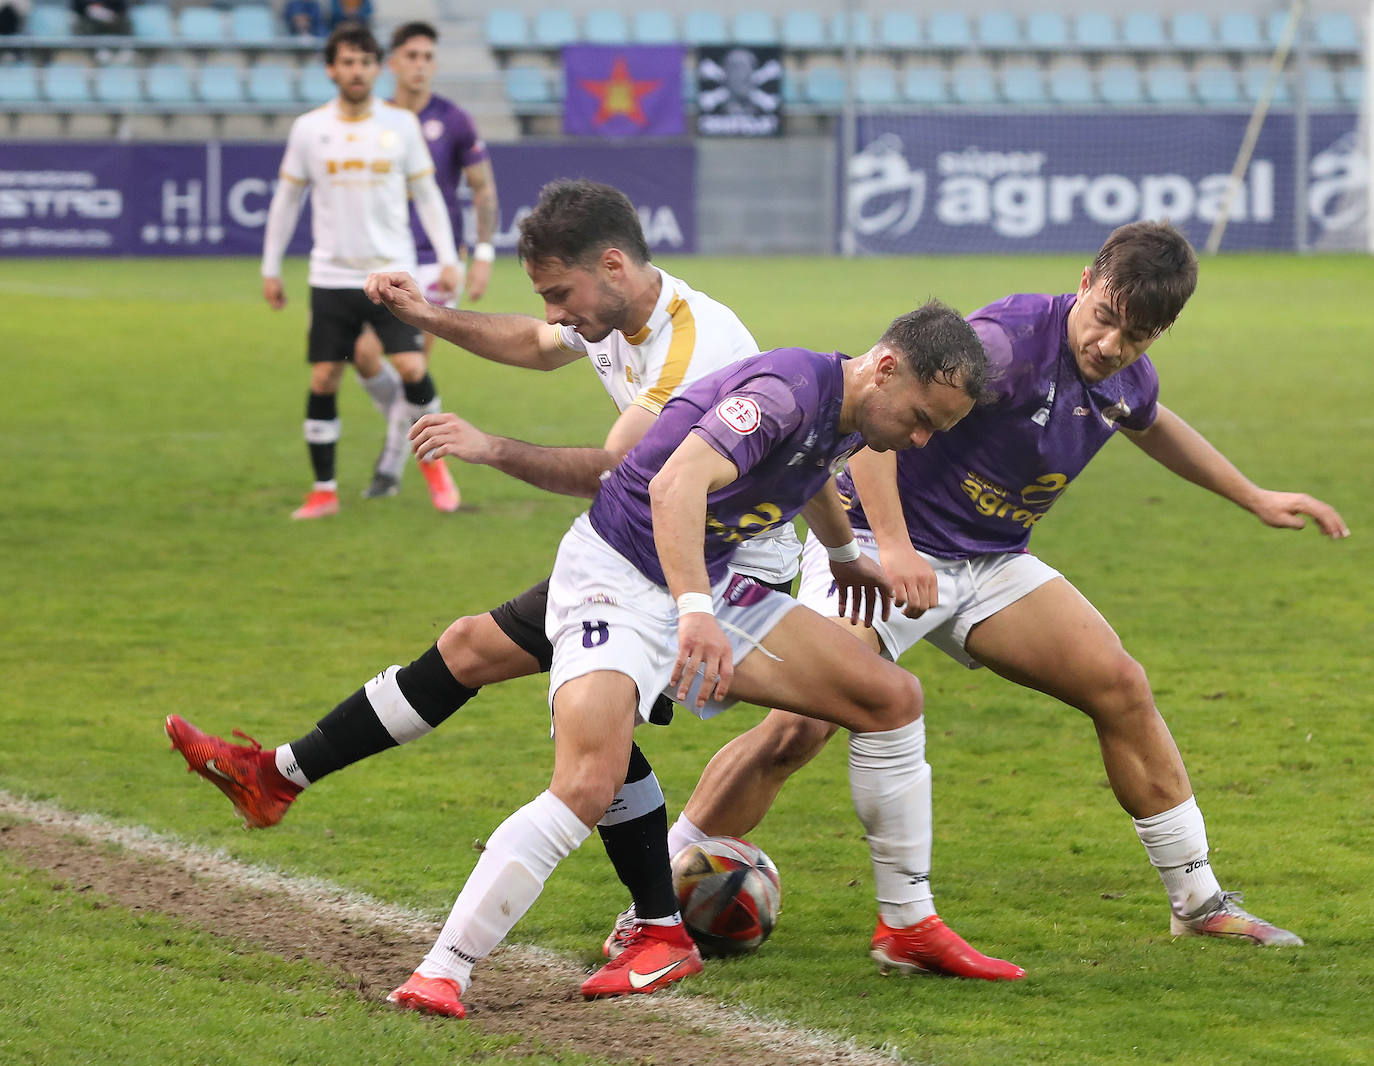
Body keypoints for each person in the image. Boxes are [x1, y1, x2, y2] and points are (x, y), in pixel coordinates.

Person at [167, 178, 817, 1001]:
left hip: (716, 569)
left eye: (559, 293)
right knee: (472, 648)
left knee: (595, 735)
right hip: (650, 547)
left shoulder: (694, 348)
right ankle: (277, 779)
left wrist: (490, 447)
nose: (554, 312)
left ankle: (661, 927)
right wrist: (430, 316)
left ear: (613, 265)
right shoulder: (616, 312)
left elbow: (614, 470)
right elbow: (535, 343)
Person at [659, 221, 1349, 958]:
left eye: (1138, 336)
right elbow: (872, 423)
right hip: (879, 553)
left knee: (1119, 685)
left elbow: (1150, 422)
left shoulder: (1124, 378)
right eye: (1106, 318)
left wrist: (1253, 496)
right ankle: (657, 895)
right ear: (1086, 283)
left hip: (990, 562)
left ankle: (1199, 900)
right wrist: (889, 548)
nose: (1111, 345)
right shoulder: (1007, 343)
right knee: (803, 726)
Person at [383, 300, 992, 1019]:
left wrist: (844, 555)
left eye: (936, 431)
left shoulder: (846, 412)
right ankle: (443, 970)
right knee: (587, 782)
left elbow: (818, 469)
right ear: (886, 370)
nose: (921, 440)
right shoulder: (784, 393)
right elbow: (675, 486)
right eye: (922, 418)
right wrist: (696, 614)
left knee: (892, 699)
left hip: (703, 577)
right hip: (616, 578)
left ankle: (906, 925)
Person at [257, 24, 463, 520]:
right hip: (331, 276)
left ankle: (435, 466)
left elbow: (429, 195)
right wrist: (270, 266)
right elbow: (287, 199)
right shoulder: (310, 128)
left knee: (413, 368)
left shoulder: (400, 126)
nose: (356, 71)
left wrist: (448, 255)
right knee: (325, 376)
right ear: (332, 69)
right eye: (347, 62)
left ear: (377, 68)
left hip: (392, 275)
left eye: (365, 62)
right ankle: (323, 491)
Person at [352, 21, 501, 506]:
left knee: (413, 364)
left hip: (435, 262)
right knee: (366, 356)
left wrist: (480, 255)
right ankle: (411, 451)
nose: (419, 64)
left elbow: (482, 189)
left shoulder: (453, 120)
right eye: (410, 55)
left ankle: (392, 467)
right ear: (392, 63)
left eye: (427, 56)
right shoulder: (372, 120)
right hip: (378, 256)